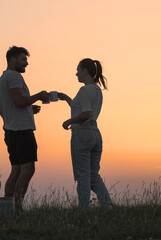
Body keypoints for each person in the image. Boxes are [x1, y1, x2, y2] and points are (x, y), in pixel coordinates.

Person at [0, 46, 50, 209]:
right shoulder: (14, 76)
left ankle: (6, 207)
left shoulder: (3, 78)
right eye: (23, 59)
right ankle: (16, 207)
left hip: (11, 131)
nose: (26, 63)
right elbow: (19, 101)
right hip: (21, 132)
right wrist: (39, 96)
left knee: (16, 170)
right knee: (28, 169)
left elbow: (12, 105)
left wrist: (28, 108)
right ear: (12, 60)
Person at [58, 58, 113, 208]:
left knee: (83, 175)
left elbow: (85, 114)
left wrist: (68, 122)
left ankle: (83, 209)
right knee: (93, 175)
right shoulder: (96, 90)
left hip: (82, 133)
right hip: (95, 133)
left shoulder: (84, 90)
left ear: (85, 71)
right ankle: (107, 205)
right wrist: (67, 99)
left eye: (78, 70)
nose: (76, 74)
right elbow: (82, 109)